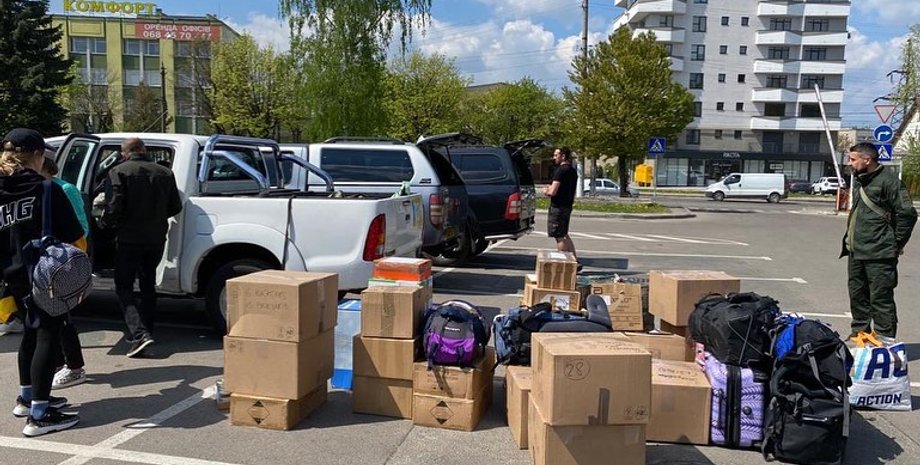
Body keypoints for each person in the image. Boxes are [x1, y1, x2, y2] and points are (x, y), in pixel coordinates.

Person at [0, 128, 84, 436]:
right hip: (45, 274)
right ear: (37, 155)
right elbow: (75, 235)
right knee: (49, 335)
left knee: (31, 334)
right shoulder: (46, 189)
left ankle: (27, 398)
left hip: (11, 274)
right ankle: (40, 414)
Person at [103, 138, 182, 358]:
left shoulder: (118, 171)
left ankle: (139, 333)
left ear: (124, 153)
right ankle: (147, 330)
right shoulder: (165, 173)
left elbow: (114, 206)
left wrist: (106, 223)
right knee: (148, 284)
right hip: (155, 238)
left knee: (124, 287)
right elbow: (175, 206)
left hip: (129, 238)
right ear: (143, 149)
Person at [841, 142, 917, 346]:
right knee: (857, 295)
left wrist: (896, 242)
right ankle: (860, 335)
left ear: (867, 160)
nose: (850, 163)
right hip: (856, 250)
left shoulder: (889, 182)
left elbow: (907, 214)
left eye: (853, 159)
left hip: (880, 252)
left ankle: (884, 339)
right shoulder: (860, 180)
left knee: (880, 298)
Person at [39, 157, 88, 389]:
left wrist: (69, 255)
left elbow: (81, 226)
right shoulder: (35, 190)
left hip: (61, 260)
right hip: (43, 262)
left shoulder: (64, 189)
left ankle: (73, 366)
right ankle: (59, 364)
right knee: (48, 318)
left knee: (61, 315)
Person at [542, 146, 580, 269]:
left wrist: (546, 191)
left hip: (558, 207)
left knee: (559, 237)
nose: (554, 158)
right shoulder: (572, 171)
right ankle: (575, 262)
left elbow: (552, 191)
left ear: (563, 156)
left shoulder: (560, 171)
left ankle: (565, 265)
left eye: (556, 155)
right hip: (567, 206)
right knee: (564, 234)